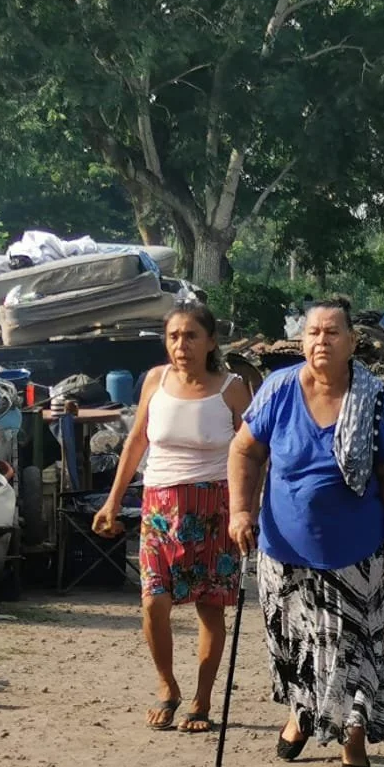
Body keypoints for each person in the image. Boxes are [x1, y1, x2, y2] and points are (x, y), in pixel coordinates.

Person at [228, 295, 384, 767]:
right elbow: (245, 452)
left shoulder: (371, 397)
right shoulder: (277, 389)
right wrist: (240, 510)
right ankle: (301, 713)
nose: (321, 341)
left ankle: (352, 737)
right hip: (283, 550)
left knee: (349, 648)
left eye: (333, 332)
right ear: (301, 340)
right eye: (313, 332)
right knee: (295, 641)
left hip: (352, 550)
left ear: (353, 343)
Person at [93, 303, 251, 732]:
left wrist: (248, 511)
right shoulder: (155, 381)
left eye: (191, 336)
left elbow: (254, 454)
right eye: (174, 336)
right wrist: (112, 501)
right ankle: (167, 686)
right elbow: (137, 441)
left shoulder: (233, 389)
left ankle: (201, 701)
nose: (181, 345)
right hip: (159, 509)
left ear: (211, 341)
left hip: (215, 509)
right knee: (153, 602)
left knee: (210, 608)